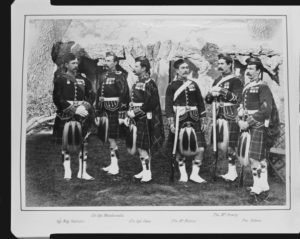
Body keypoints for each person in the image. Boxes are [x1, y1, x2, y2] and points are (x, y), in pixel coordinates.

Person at [237, 57, 276, 201]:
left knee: (255, 158)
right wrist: (240, 120)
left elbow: (266, 109)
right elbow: (242, 106)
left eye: (251, 68)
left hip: (258, 125)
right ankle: (262, 185)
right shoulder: (247, 86)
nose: (248, 71)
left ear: (259, 71)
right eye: (247, 68)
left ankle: (259, 186)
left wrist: (249, 122)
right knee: (257, 158)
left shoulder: (263, 87)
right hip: (246, 124)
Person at [53, 52, 95, 180]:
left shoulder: (84, 79)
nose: (76, 65)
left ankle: (82, 172)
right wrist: (73, 110)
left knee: (84, 143)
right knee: (66, 143)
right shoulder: (60, 79)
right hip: (66, 115)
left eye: (77, 63)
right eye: (73, 63)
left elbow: (91, 95)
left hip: (82, 114)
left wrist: (85, 106)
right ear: (66, 64)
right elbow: (57, 98)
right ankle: (67, 170)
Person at [165, 58, 207, 183]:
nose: (185, 70)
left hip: (195, 119)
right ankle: (183, 174)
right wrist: (171, 122)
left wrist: (203, 119)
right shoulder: (172, 86)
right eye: (182, 68)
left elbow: (200, 102)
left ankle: (195, 174)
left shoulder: (194, 84)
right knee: (179, 148)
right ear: (177, 70)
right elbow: (168, 105)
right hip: (179, 119)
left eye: (187, 68)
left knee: (201, 148)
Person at [205, 53, 244, 182]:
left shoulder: (236, 80)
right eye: (218, 64)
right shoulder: (217, 80)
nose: (219, 66)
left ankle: (232, 172)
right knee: (218, 144)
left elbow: (237, 99)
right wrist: (210, 94)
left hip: (230, 115)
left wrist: (222, 91)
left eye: (222, 64)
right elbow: (209, 100)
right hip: (218, 115)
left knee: (230, 145)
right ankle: (219, 170)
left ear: (229, 65)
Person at [126, 56, 165, 182]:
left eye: (137, 66)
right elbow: (137, 99)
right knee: (139, 146)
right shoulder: (138, 82)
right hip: (136, 118)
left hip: (144, 119)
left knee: (144, 147)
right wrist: (131, 107)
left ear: (144, 68)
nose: (134, 68)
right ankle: (144, 170)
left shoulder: (150, 83)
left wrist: (136, 112)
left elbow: (151, 104)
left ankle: (148, 173)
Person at [95, 52, 130, 175]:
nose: (107, 62)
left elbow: (124, 94)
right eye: (106, 60)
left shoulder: (120, 76)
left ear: (116, 62)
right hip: (104, 110)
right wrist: (98, 111)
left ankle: (115, 166)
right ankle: (112, 163)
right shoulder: (103, 75)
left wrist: (122, 113)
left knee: (113, 138)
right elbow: (99, 94)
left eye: (109, 60)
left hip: (115, 110)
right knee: (109, 138)